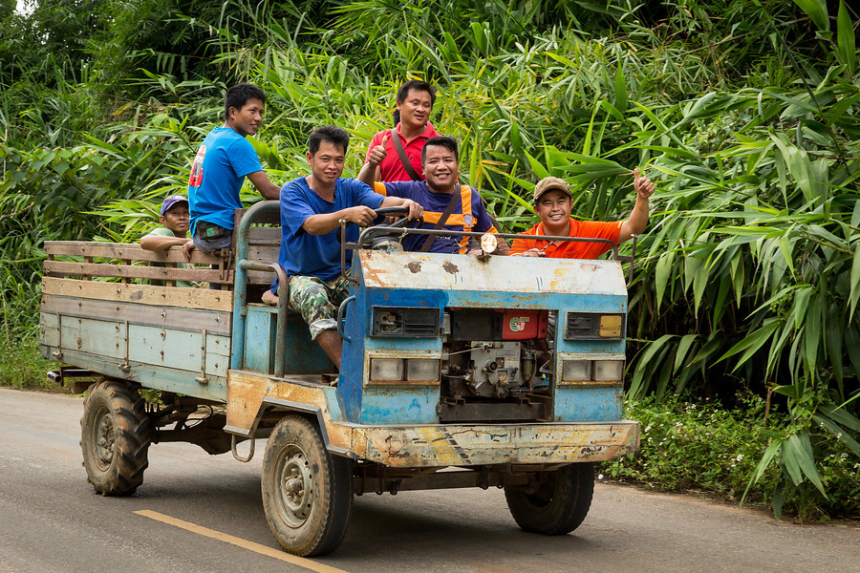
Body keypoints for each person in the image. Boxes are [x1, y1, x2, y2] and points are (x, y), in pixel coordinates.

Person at [262, 126, 423, 370]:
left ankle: (388, 366)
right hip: (300, 277)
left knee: (381, 295)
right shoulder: (293, 191)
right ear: (310, 158)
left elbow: (382, 201)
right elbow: (312, 225)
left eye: (338, 160)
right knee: (313, 296)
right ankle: (349, 372)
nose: (332, 166)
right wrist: (347, 214)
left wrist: (405, 202)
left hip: (342, 275)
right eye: (325, 159)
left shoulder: (351, 188)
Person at [184, 83, 281, 259]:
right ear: (233, 112)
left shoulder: (215, 135)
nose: (258, 118)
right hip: (217, 231)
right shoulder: (236, 143)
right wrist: (305, 197)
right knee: (278, 246)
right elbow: (268, 191)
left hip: (204, 230)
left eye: (261, 112)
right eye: (252, 111)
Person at [363, 136, 503, 255]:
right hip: (416, 274)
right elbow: (363, 192)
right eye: (433, 161)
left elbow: (493, 239)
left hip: (462, 276)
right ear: (423, 169)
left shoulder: (469, 195)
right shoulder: (408, 190)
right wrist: (371, 165)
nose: (441, 166)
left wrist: (486, 251)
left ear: (457, 166)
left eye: (448, 160)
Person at [510, 171, 655, 258]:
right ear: (537, 210)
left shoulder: (589, 232)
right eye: (547, 203)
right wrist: (523, 259)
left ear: (571, 204)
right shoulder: (523, 241)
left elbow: (633, 229)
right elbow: (510, 269)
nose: (555, 208)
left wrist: (642, 197)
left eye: (561, 201)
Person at [357, 80, 440, 184]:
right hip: (388, 200)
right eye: (415, 103)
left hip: (423, 201)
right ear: (399, 104)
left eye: (426, 105)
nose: (421, 109)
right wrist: (372, 164)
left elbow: (451, 188)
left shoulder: (439, 143)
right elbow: (363, 188)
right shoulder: (382, 138)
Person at [139, 195, 194, 287]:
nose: (182, 217)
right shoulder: (166, 233)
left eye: (186, 213)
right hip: (171, 296)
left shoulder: (183, 242)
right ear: (163, 220)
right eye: (175, 213)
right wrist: (185, 241)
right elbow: (145, 241)